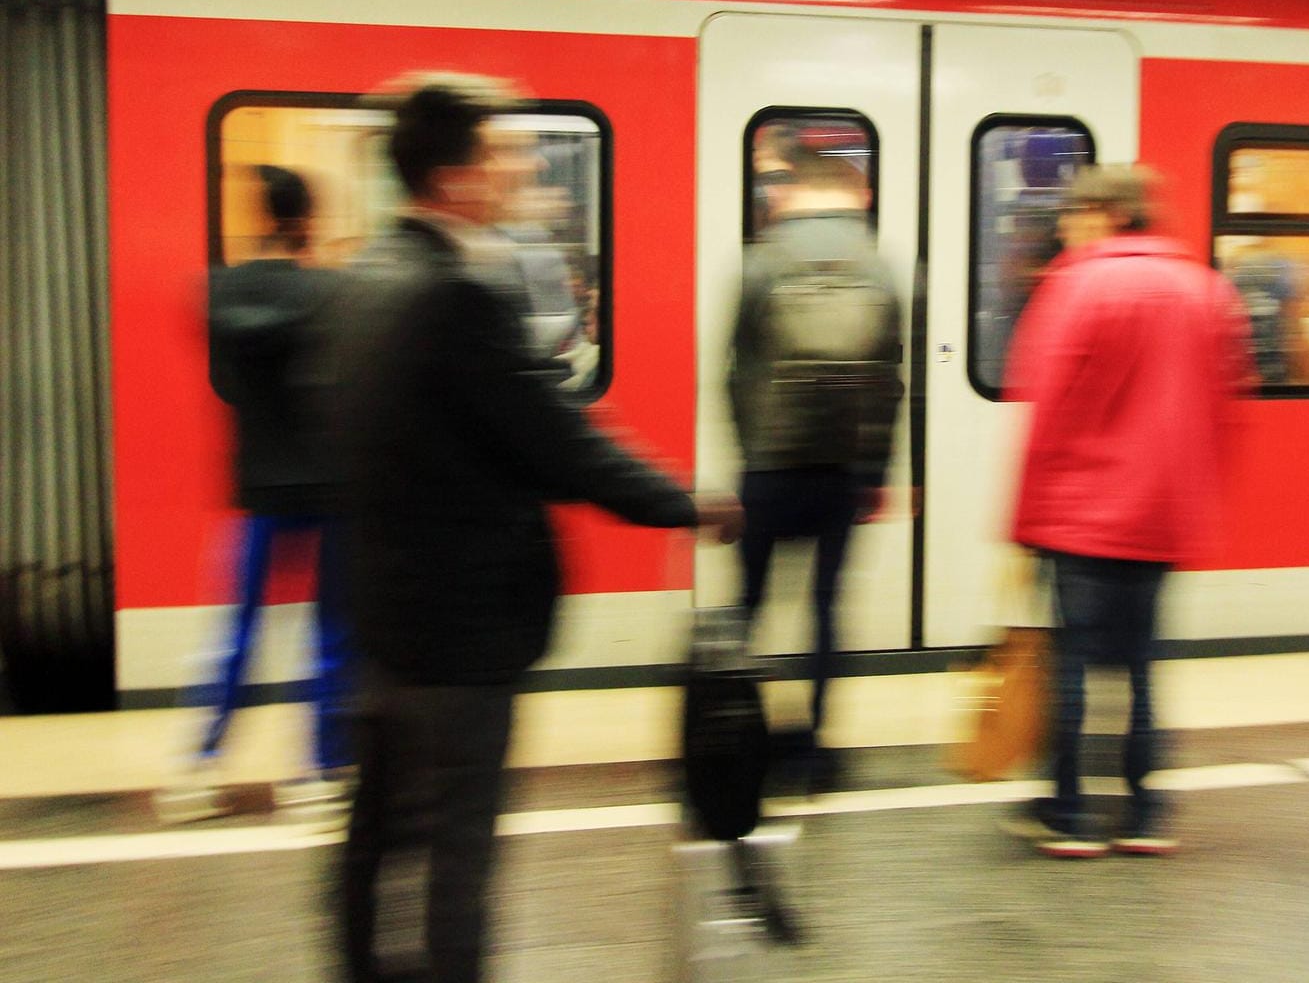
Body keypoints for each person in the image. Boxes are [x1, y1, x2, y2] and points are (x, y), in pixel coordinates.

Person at [327, 73, 740, 983]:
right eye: (504, 149)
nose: (519, 164)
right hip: (461, 631)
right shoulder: (460, 296)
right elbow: (560, 444)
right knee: (456, 855)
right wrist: (689, 501)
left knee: (375, 838)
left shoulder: (364, 276)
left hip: (385, 623)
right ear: (458, 177)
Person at [1001, 164, 1251, 858]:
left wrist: (1023, 521)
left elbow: (1048, 414)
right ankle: (1147, 813)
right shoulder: (1209, 290)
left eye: (1073, 214)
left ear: (1107, 213)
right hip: (1163, 517)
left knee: (1075, 660)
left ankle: (1071, 813)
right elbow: (1229, 412)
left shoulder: (1078, 285)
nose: (1064, 228)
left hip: (1083, 514)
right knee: (1141, 662)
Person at [158, 164, 351, 825]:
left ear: (260, 216)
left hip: (256, 490)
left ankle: (197, 769)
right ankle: (318, 775)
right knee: (329, 636)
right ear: (306, 221)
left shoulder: (214, 292)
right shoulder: (330, 294)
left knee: (236, 634)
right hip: (328, 489)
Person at [726, 143, 904, 791]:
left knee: (749, 605)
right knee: (827, 606)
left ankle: (734, 730)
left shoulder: (762, 262)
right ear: (852, 197)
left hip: (771, 468)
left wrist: (752, 450)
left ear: (796, 193)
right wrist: (875, 470)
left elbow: (736, 369)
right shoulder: (879, 268)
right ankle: (816, 746)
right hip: (840, 472)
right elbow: (890, 381)